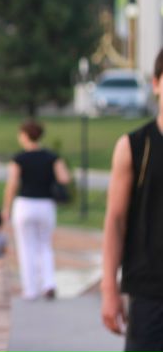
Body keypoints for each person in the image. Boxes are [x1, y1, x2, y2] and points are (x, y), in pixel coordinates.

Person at [101, 48, 163, 351]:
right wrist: (108, 288)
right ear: (156, 84)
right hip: (151, 293)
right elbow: (115, 220)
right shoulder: (135, 146)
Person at [2, 120, 71, 301]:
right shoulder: (52, 157)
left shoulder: (19, 158)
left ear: (25, 136)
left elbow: (12, 184)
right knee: (45, 245)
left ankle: (30, 289)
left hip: (25, 204)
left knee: (26, 247)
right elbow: (64, 178)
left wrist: (6, 207)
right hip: (46, 204)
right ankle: (48, 283)